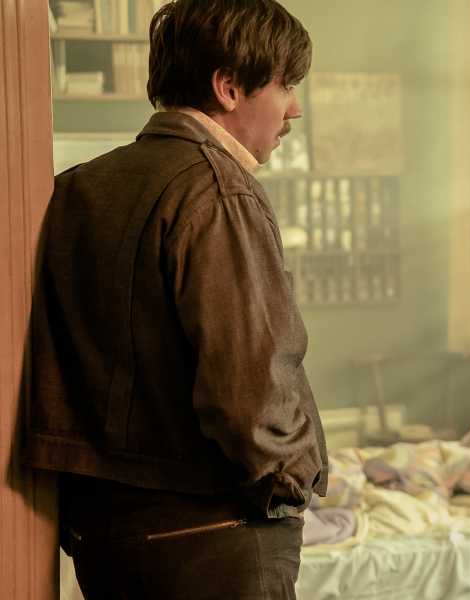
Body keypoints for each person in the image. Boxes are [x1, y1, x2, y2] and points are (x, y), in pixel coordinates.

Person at [22, 0, 327, 598]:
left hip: (100, 533)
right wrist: (293, 486)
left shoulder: (78, 186)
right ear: (228, 87)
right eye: (286, 85)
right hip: (210, 535)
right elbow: (252, 384)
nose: (294, 108)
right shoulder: (220, 192)